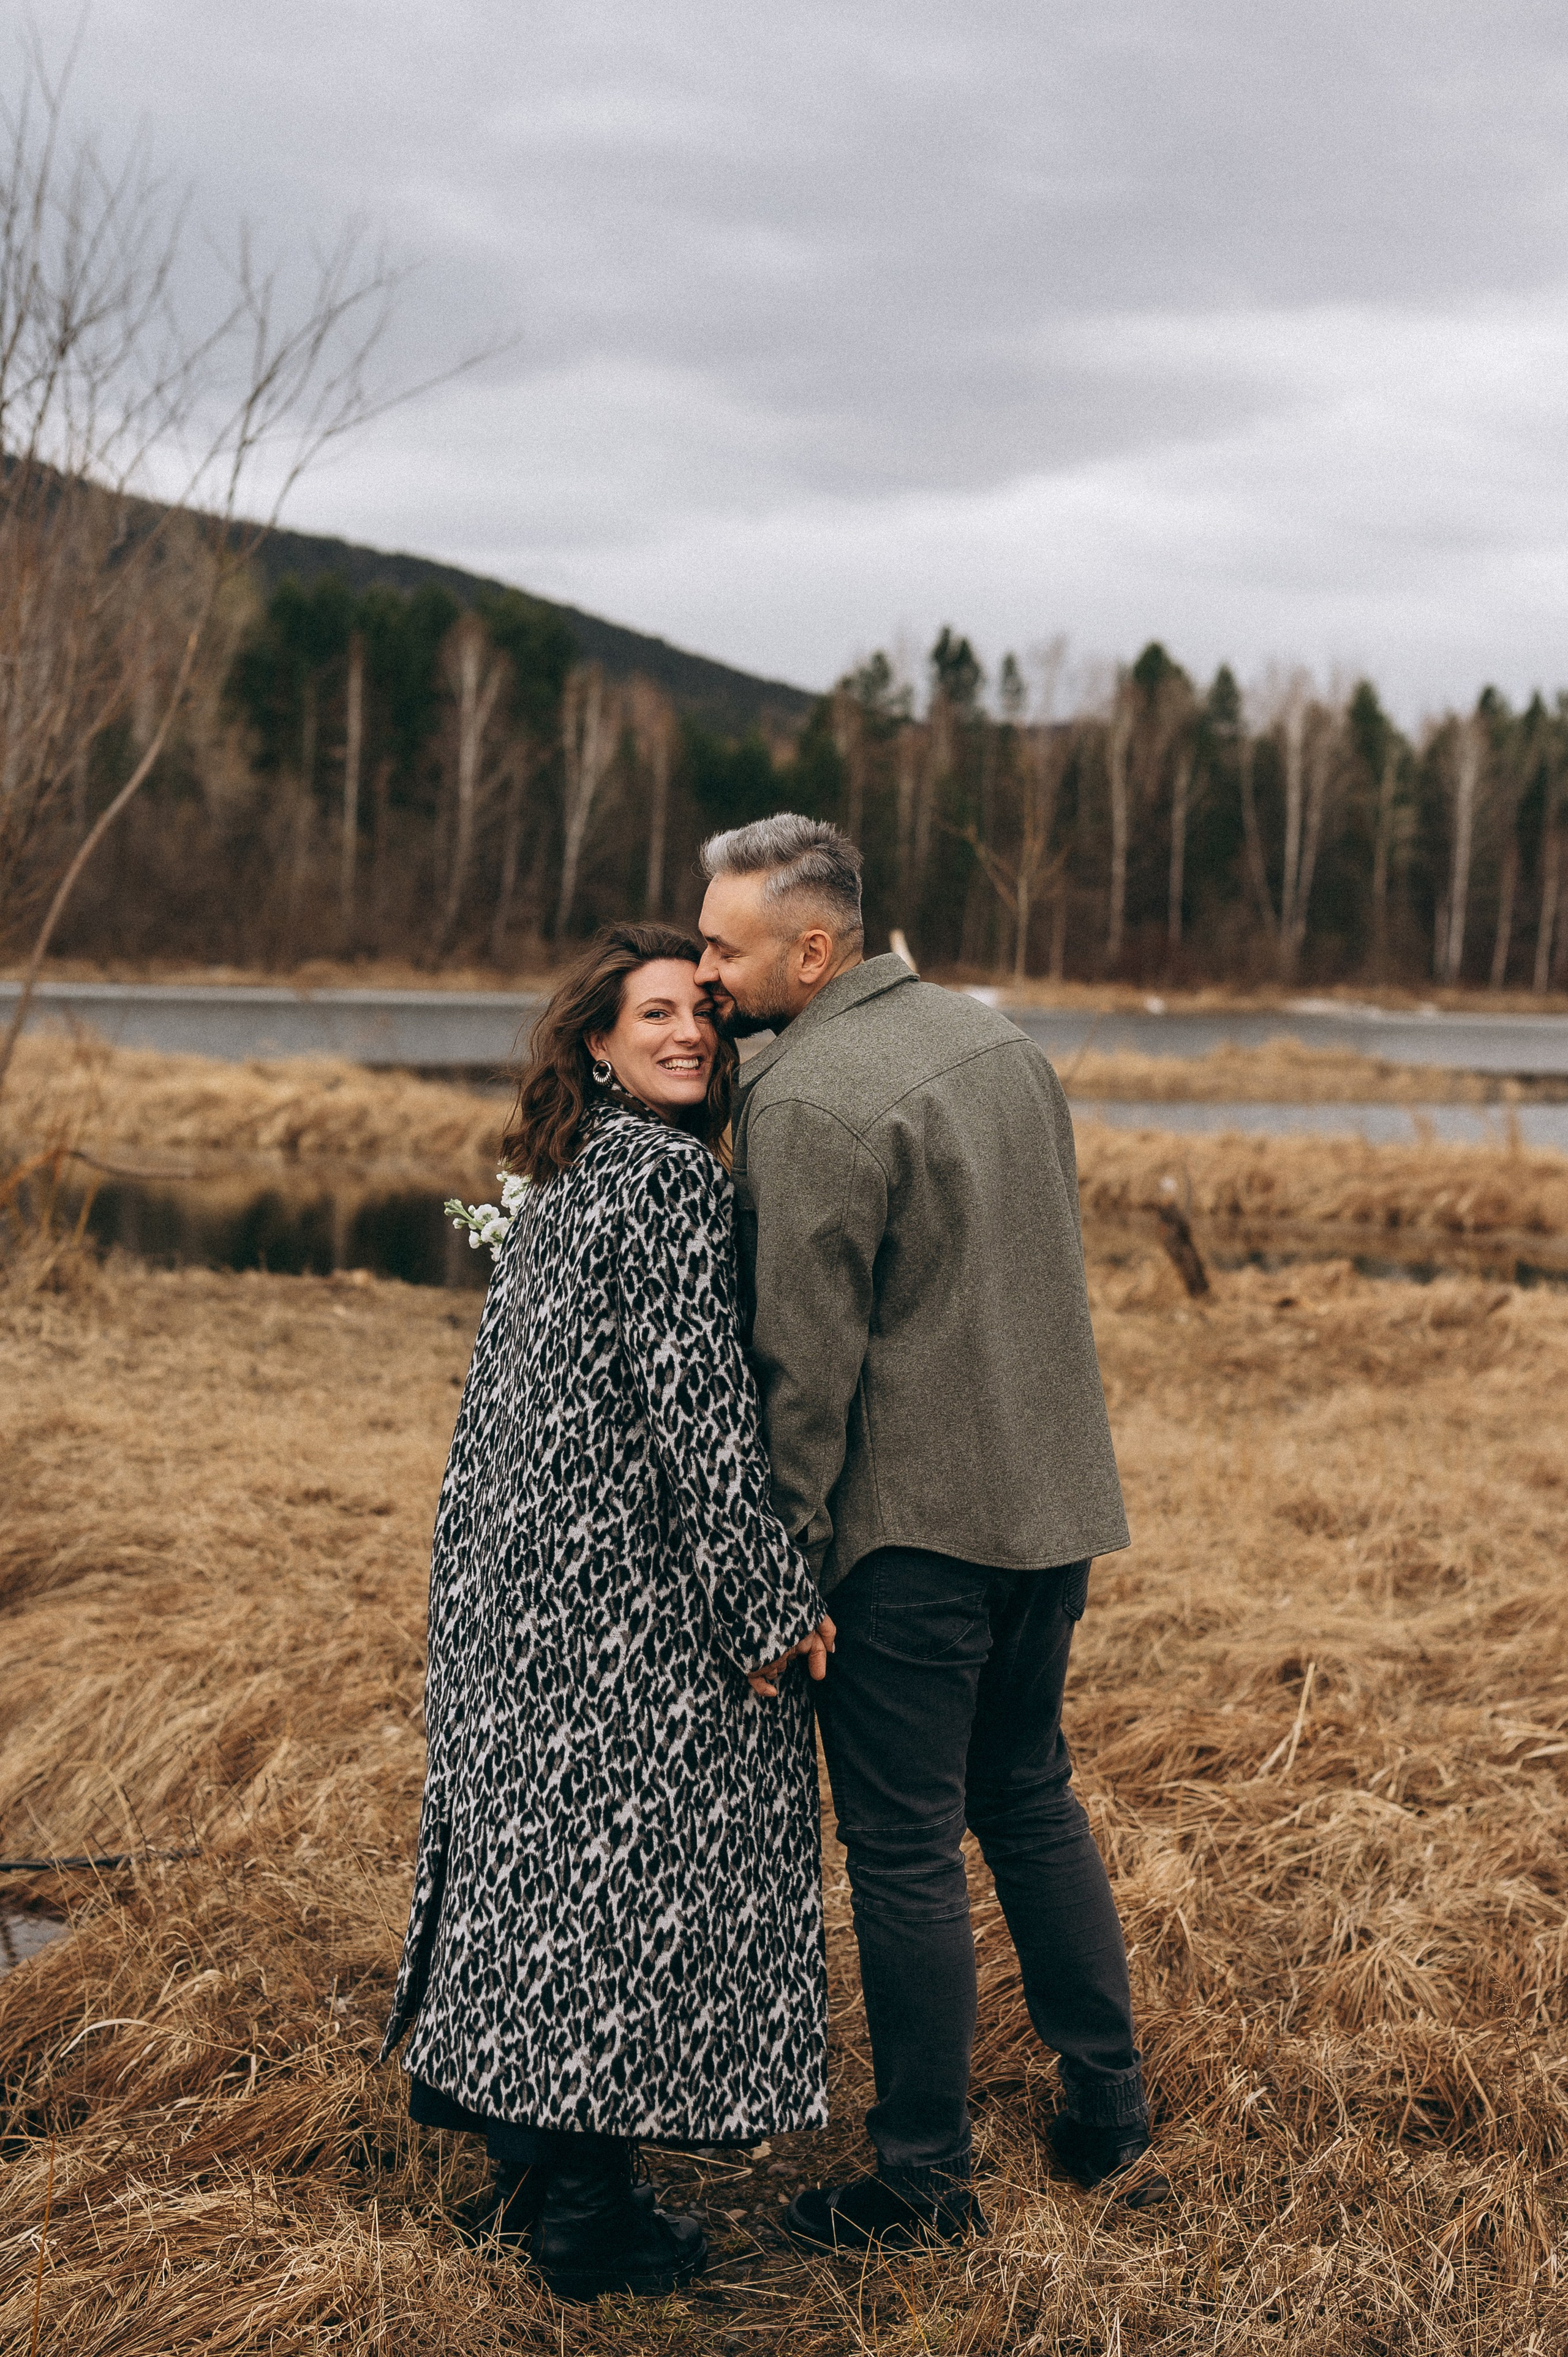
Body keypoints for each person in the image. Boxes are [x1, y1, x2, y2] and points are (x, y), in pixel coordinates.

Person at [695, 815, 1162, 2255]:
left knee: (901, 1849)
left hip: (907, 1542)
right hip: (1047, 1511)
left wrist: (772, 1579)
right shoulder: (997, 1042)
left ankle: (920, 2180)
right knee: (1025, 1797)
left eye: (721, 948)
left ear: (811, 949)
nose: (704, 975)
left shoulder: (806, 1098)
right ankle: (1108, 2104)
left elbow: (802, 1377)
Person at [381, 922, 834, 2303]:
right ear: (595, 1040)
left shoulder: (569, 1170)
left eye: (705, 1011)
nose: (691, 1033)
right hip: (621, 1603)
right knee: (620, 1888)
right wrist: (768, 1608)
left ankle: (529, 2165)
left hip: (516, 1590)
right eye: (655, 1015)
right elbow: (701, 1423)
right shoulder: (666, 1182)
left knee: (536, 1872)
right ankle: (588, 2216)